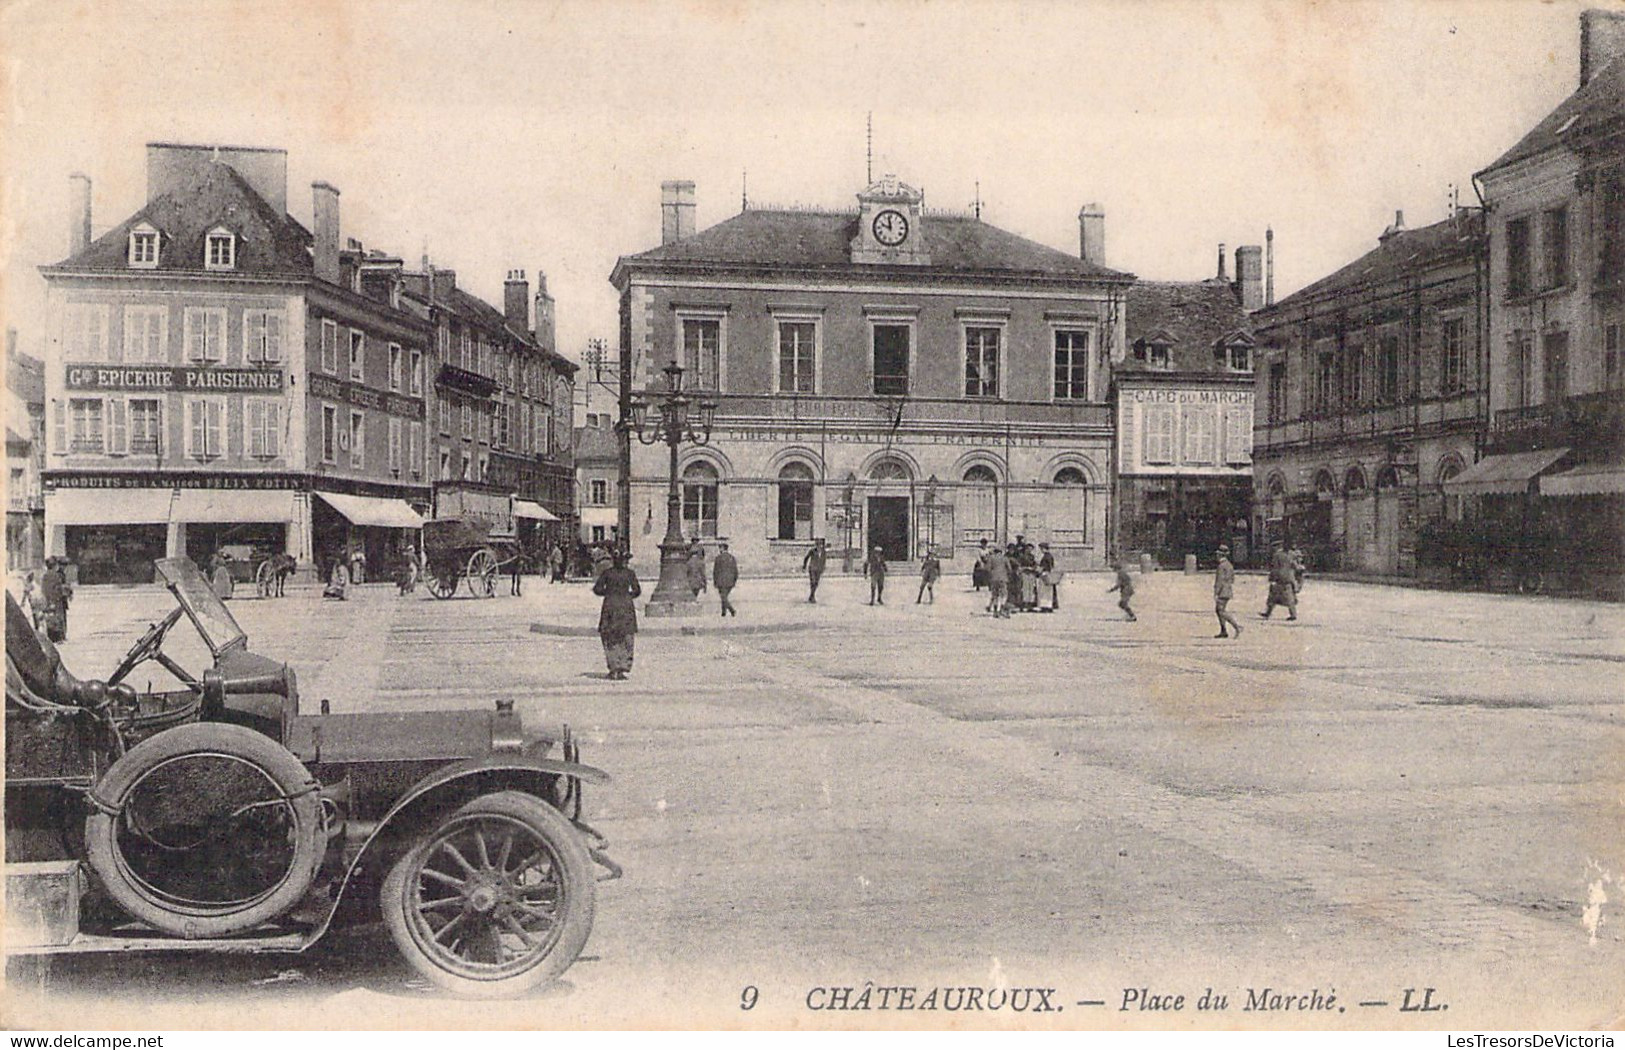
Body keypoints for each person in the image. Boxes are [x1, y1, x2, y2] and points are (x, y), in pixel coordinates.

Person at [593, 548, 641, 680]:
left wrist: (608, 593)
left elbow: (597, 589)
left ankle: (613, 667)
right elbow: (637, 591)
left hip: (610, 606)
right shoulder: (630, 574)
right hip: (626, 606)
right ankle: (623, 667)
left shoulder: (607, 573)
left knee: (610, 636)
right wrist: (627, 595)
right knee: (626, 636)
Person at [1260, 542, 1298, 620]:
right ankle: (1292, 614)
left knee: (1275, 596)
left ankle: (1269, 613)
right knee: (1285, 597)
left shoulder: (1279, 554)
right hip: (1287, 577)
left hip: (1281, 577)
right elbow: (1296, 566)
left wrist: (1272, 577)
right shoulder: (1292, 554)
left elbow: (1274, 567)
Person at [1213, 543, 1243, 639]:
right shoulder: (1229, 565)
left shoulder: (1221, 566)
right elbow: (1232, 578)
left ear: (1220, 555)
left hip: (1222, 591)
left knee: (1221, 611)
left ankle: (1236, 626)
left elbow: (1219, 580)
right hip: (1228, 590)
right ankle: (1223, 630)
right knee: (1219, 610)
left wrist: (1216, 592)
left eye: (1217, 554)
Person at [39, 558, 71, 642]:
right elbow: (58, 588)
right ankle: (59, 637)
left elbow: (44, 589)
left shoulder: (45, 575)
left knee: (51, 619)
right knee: (57, 618)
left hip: (49, 600)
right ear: (54, 565)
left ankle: (53, 637)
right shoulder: (55, 575)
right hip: (56, 600)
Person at [712, 539, 739, 617]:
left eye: (720, 548)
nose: (719, 549)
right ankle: (723, 612)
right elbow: (735, 571)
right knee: (724, 596)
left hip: (721, 581)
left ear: (723, 548)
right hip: (730, 581)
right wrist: (734, 581)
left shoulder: (718, 558)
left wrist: (715, 581)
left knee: (723, 597)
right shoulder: (732, 558)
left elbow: (715, 571)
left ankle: (732, 610)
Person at [984, 543, 1011, 618]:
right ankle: (1002, 608)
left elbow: (987, 569)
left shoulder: (991, 558)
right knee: (1004, 594)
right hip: (1003, 578)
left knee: (995, 595)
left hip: (994, 578)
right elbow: (1009, 569)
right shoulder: (1005, 558)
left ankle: (995, 611)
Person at [1108, 557, 1137, 621]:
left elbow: (1119, 584)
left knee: (1122, 603)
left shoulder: (1121, 574)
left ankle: (1132, 616)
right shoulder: (1122, 573)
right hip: (1127, 589)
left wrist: (1111, 590)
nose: (1113, 570)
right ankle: (1130, 615)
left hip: (1126, 590)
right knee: (1122, 604)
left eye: (1114, 568)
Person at [802, 538, 827, 603]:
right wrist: (804, 566)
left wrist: (823, 567)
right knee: (813, 582)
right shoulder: (812, 551)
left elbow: (824, 560)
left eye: (821, 545)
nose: (819, 546)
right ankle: (812, 597)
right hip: (812, 568)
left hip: (818, 569)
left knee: (816, 583)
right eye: (818, 545)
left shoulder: (824, 552)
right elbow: (806, 558)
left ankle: (811, 596)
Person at [1037, 542, 1058, 612]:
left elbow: (1043, 567)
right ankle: (1048, 605)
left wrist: (1038, 570)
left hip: (1044, 574)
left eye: (1041, 549)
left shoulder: (1045, 557)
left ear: (1043, 549)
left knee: (1044, 591)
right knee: (1048, 591)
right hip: (1048, 574)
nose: (1041, 550)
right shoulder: (1050, 556)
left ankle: (1045, 606)